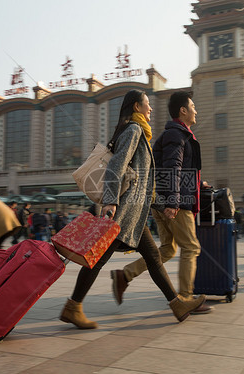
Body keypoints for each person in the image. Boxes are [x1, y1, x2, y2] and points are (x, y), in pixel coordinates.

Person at [60, 89, 205, 329]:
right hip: (124, 214)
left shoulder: (139, 134)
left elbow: (143, 182)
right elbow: (116, 166)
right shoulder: (134, 130)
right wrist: (110, 200)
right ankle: (73, 306)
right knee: (99, 259)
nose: (150, 109)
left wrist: (165, 205)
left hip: (134, 214)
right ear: (136, 107)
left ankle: (177, 304)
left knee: (154, 258)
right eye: (147, 104)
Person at [110, 91, 212, 314]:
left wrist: (197, 183)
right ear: (183, 110)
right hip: (174, 203)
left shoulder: (173, 134)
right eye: (193, 106)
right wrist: (174, 201)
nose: (196, 110)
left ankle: (125, 274)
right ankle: (185, 297)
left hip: (162, 200)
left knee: (167, 249)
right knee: (191, 247)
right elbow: (172, 167)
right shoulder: (177, 134)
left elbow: (174, 168)